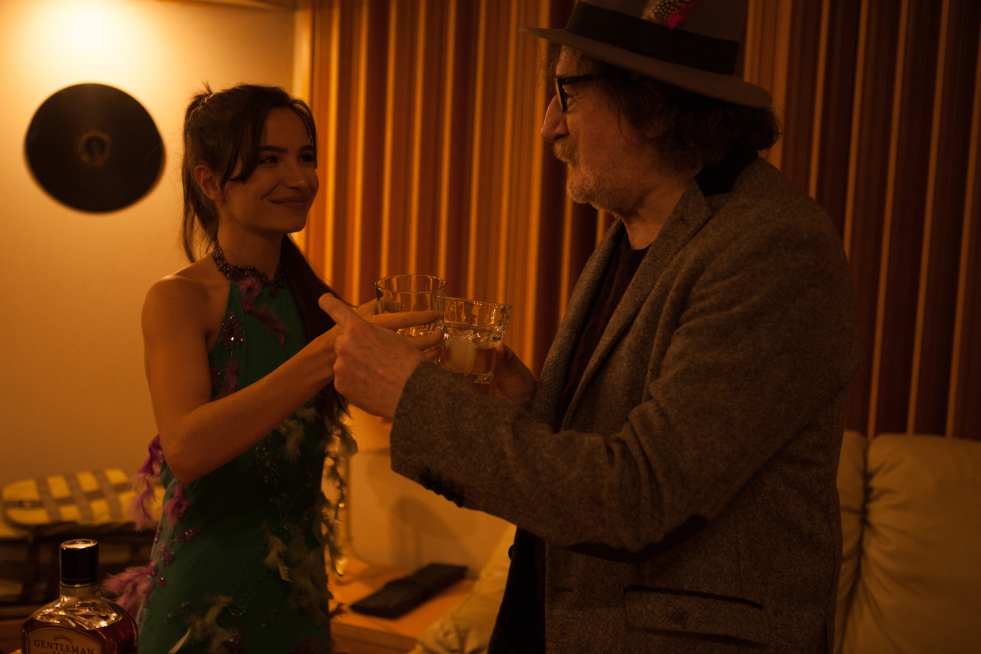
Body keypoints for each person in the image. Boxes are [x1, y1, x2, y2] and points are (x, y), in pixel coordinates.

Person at [321, 0, 860, 652]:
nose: (549, 125)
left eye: (567, 94)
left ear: (652, 106)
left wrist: (410, 393)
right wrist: (528, 407)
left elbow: (639, 497)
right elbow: (609, 454)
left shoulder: (771, 248)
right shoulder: (638, 232)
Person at [105, 84, 438, 653]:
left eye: (305, 157)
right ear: (211, 182)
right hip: (203, 602)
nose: (299, 177)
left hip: (298, 598)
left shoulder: (314, 302)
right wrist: (326, 354)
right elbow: (186, 448)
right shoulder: (179, 298)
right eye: (269, 160)